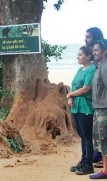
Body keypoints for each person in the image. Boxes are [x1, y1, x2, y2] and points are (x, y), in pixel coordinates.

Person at [67, 46, 96, 175]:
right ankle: (83, 161)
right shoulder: (80, 69)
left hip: (86, 107)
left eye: (80, 55)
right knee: (82, 135)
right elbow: (73, 86)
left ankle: (88, 163)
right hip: (76, 107)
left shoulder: (91, 69)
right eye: (77, 55)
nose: (78, 57)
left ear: (88, 57)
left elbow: (85, 89)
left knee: (87, 136)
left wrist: (70, 95)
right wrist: (70, 97)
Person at [85, 27, 104, 168]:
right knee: (97, 134)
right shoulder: (93, 57)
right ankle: (97, 158)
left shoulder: (102, 62)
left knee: (103, 135)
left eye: (89, 37)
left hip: (104, 104)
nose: (86, 39)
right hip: (96, 103)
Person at [89, 39, 107, 179]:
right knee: (100, 141)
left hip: (104, 110)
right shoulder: (99, 67)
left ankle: (106, 171)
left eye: (96, 50)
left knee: (105, 140)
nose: (94, 52)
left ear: (104, 51)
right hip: (98, 109)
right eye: (93, 50)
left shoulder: (105, 67)